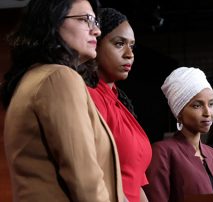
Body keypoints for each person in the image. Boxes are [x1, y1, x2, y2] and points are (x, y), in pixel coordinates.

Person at [0, 0, 125, 201]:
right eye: (85, 19)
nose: (96, 31)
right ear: (53, 23)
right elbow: (86, 182)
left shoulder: (34, 78)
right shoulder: (58, 78)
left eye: (96, 21)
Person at [86, 8, 152, 202]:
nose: (129, 54)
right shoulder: (89, 96)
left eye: (132, 46)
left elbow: (136, 184)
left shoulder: (120, 102)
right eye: (119, 44)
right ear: (94, 43)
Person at [143, 67, 213, 202]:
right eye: (197, 105)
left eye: (211, 104)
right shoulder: (162, 152)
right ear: (179, 112)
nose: (208, 113)